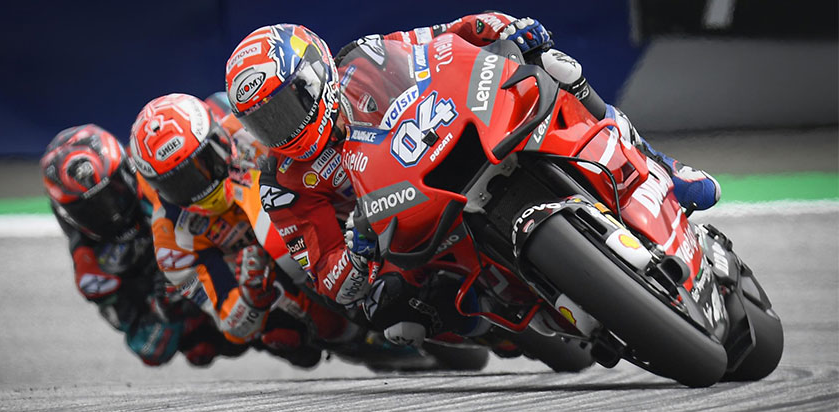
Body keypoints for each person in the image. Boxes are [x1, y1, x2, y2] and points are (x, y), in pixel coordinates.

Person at [222, 14, 721, 345]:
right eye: (265, 122)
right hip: (400, 233)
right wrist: (357, 254)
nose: (282, 129)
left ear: (316, 76)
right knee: (396, 319)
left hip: (447, 144)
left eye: (285, 107)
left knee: (555, 68)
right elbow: (328, 278)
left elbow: (445, 38)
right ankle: (516, 317)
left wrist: (504, 28)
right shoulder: (281, 185)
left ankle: (660, 167)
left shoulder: (366, 59)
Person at [129, 93, 363, 368]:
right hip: (272, 278)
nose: (199, 184)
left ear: (218, 139)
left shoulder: (252, 129)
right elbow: (230, 323)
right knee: (282, 334)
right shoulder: (170, 240)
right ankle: (345, 334)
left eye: (204, 162)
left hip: (316, 212)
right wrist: (251, 297)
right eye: (178, 183)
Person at [41, 123, 248, 367]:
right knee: (200, 349)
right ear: (68, 217)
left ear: (126, 168)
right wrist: (163, 306)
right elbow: (148, 348)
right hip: (202, 314)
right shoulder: (92, 272)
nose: (113, 212)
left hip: (228, 248)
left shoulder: (154, 169)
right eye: (92, 210)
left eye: (115, 189)